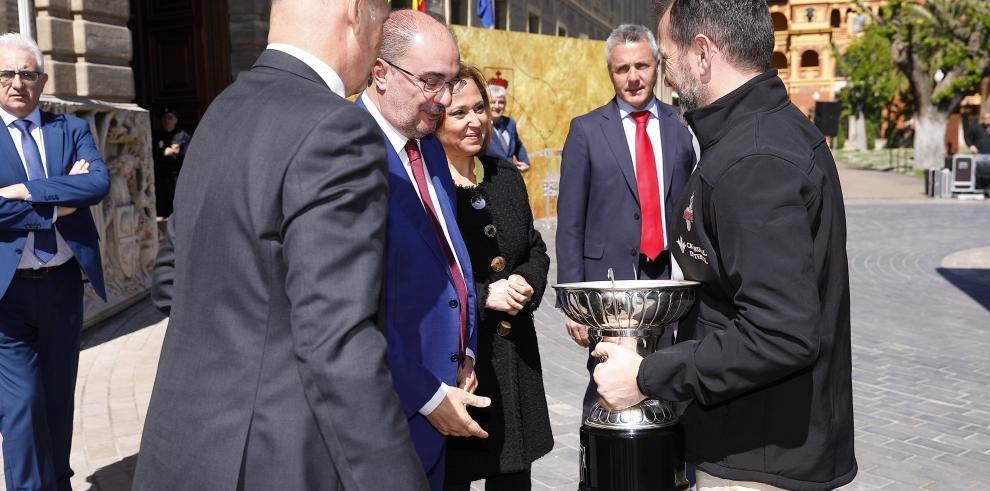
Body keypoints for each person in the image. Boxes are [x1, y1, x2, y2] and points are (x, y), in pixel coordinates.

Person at [134, 1, 430, 490]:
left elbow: (168, 282)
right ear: (357, 13)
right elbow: (335, 344)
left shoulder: (219, 111)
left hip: (183, 449)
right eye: (381, 20)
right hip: (276, 458)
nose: (380, 39)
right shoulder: (339, 127)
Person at [592, 1, 858, 489]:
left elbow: (780, 333)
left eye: (666, 58)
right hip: (761, 440)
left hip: (759, 459)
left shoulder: (755, 159)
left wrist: (648, 375)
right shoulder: (764, 131)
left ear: (702, 53)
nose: (665, 76)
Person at [355, 10, 490, 490]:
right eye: (432, 81)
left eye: (451, 82)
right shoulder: (344, 150)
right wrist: (428, 395)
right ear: (381, 73)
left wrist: (465, 350)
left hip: (451, 391)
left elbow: (450, 253)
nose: (447, 99)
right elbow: (352, 308)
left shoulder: (428, 145)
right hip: (394, 412)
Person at [555, 23, 696, 418]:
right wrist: (572, 302)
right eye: (622, 69)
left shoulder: (682, 127)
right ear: (610, 73)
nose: (633, 78)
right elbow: (570, 222)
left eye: (641, 66)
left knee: (672, 385)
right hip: (608, 288)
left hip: (669, 282)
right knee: (607, 389)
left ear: (656, 66)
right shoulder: (585, 131)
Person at [0, 32, 109, 491]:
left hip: (63, 286)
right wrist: (60, 197)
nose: (17, 83)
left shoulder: (72, 130)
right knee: (22, 404)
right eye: (7, 73)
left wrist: (27, 191)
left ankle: (56, 482)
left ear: (43, 80)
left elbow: (98, 184)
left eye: (27, 74)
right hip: (8, 293)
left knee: (59, 397)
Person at [438, 65, 553, 491]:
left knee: (513, 474)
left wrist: (527, 282)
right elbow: (426, 279)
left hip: (514, 360)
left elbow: (534, 246)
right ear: (436, 118)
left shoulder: (504, 175)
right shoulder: (427, 188)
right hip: (461, 364)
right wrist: (486, 296)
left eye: (480, 108)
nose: (475, 121)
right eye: (460, 113)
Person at [151, 108, 189, 224]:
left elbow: (186, 156)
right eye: (164, 118)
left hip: (177, 179)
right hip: (160, 180)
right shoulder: (156, 135)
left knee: (178, 209)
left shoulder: (182, 136)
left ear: (175, 120)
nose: (167, 121)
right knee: (161, 212)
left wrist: (171, 152)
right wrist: (165, 151)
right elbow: (153, 153)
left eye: (170, 118)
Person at [484, 79, 530, 172]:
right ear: (486, 104)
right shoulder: (481, 126)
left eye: (501, 102)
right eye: (492, 102)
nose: (497, 106)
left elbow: (518, 145)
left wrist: (525, 162)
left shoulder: (510, 123)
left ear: (505, 105)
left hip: (511, 177)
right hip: (489, 178)